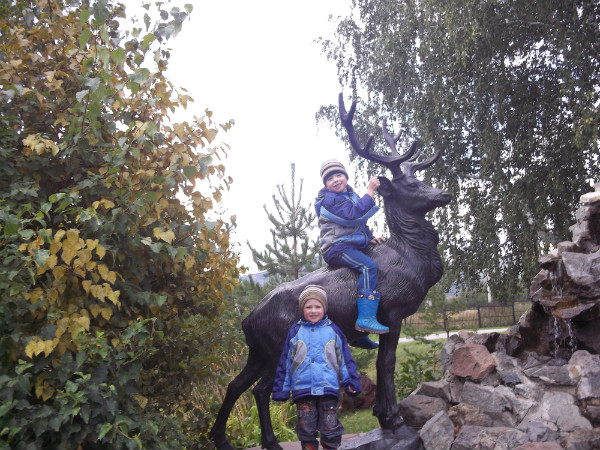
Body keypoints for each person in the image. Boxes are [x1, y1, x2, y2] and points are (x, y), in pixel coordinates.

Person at [272, 285, 362, 450]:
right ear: (302, 309)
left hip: (328, 389)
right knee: (306, 428)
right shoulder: (295, 331)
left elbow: (344, 359)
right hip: (303, 390)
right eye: (309, 307)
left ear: (324, 308)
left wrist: (351, 381)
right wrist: (281, 389)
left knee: (330, 427)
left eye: (317, 306)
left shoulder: (333, 330)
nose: (313, 311)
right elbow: (285, 362)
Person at [314, 159, 389, 341]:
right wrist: (370, 192)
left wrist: (370, 237)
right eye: (330, 178)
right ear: (326, 184)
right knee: (368, 267)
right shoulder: (331, 200)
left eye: (339, 175)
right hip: (337, 247)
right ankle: (366, 319)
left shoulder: (349, 195)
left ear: (345, 177)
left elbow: (361, 222)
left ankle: (357, 334)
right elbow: (352, 216)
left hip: (350, 244)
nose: (336, 180)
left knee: (363, 274)